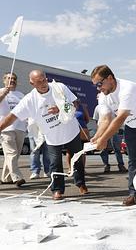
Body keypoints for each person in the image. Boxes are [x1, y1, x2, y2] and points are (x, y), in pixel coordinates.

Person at [0, 70, 87, 199]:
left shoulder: (59, 87)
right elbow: (12, 117)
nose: (43, 83)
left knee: (78, 159)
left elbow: (74, 103)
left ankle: (81, 184)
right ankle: (57, 190)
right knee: (54, 163)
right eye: (39, 81)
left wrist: (60, 108)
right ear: (32, 83)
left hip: (71, 131)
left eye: (44, 79)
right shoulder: (29, 100)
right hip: (52, 136)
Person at [90, 65, 136, 206]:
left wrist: (104, 139)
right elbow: (105, 118)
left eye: (99, 84)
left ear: (110, 78)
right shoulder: (104, 95)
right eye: (96, 85)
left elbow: (120, 118)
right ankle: (133, 194)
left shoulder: (127, 89)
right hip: (133, 127)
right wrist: (97, 137)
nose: (99, 88)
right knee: (134, 161)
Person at [0, 72, 27, 186]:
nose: (12, 80)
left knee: (14, 154)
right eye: (9, 78)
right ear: (4, 80)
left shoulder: (21, 95)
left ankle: (6, 178)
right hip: (6, 128)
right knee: (12, 152)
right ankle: (17, 177)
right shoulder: (1, 91)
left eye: (14, 79)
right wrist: (3, 95)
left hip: (20, 128)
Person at [92, 95, 127, 174]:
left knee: (117, 148)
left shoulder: (112, 105)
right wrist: (98, 133)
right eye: (98, 97)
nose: (98, 98)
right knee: (103, 149)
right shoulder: (97, 108)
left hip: (113, 130)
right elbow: (96, 120)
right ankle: (106, 165)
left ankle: (121, 165)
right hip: (103, 131)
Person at [66, 98, 90, 169]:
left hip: (82, 132)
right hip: (71, 132)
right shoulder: (67, 107)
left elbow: (87, 119)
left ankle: (82, 168)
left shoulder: (82, 107)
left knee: (82, 151)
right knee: (69, 151)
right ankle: (70, 168)